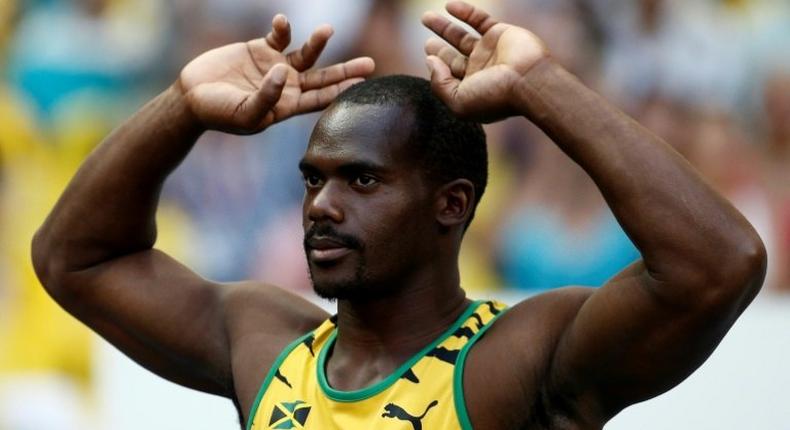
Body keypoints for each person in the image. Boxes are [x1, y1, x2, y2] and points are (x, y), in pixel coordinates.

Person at [31, 2, 766, 429]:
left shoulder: (513, 362)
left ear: (451, 204)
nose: (321, 205)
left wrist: (542, 87)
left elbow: (717, 264)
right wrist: (182, 107)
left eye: (361, 179)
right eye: (312, 180)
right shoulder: (264, 344)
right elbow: (75, 258)